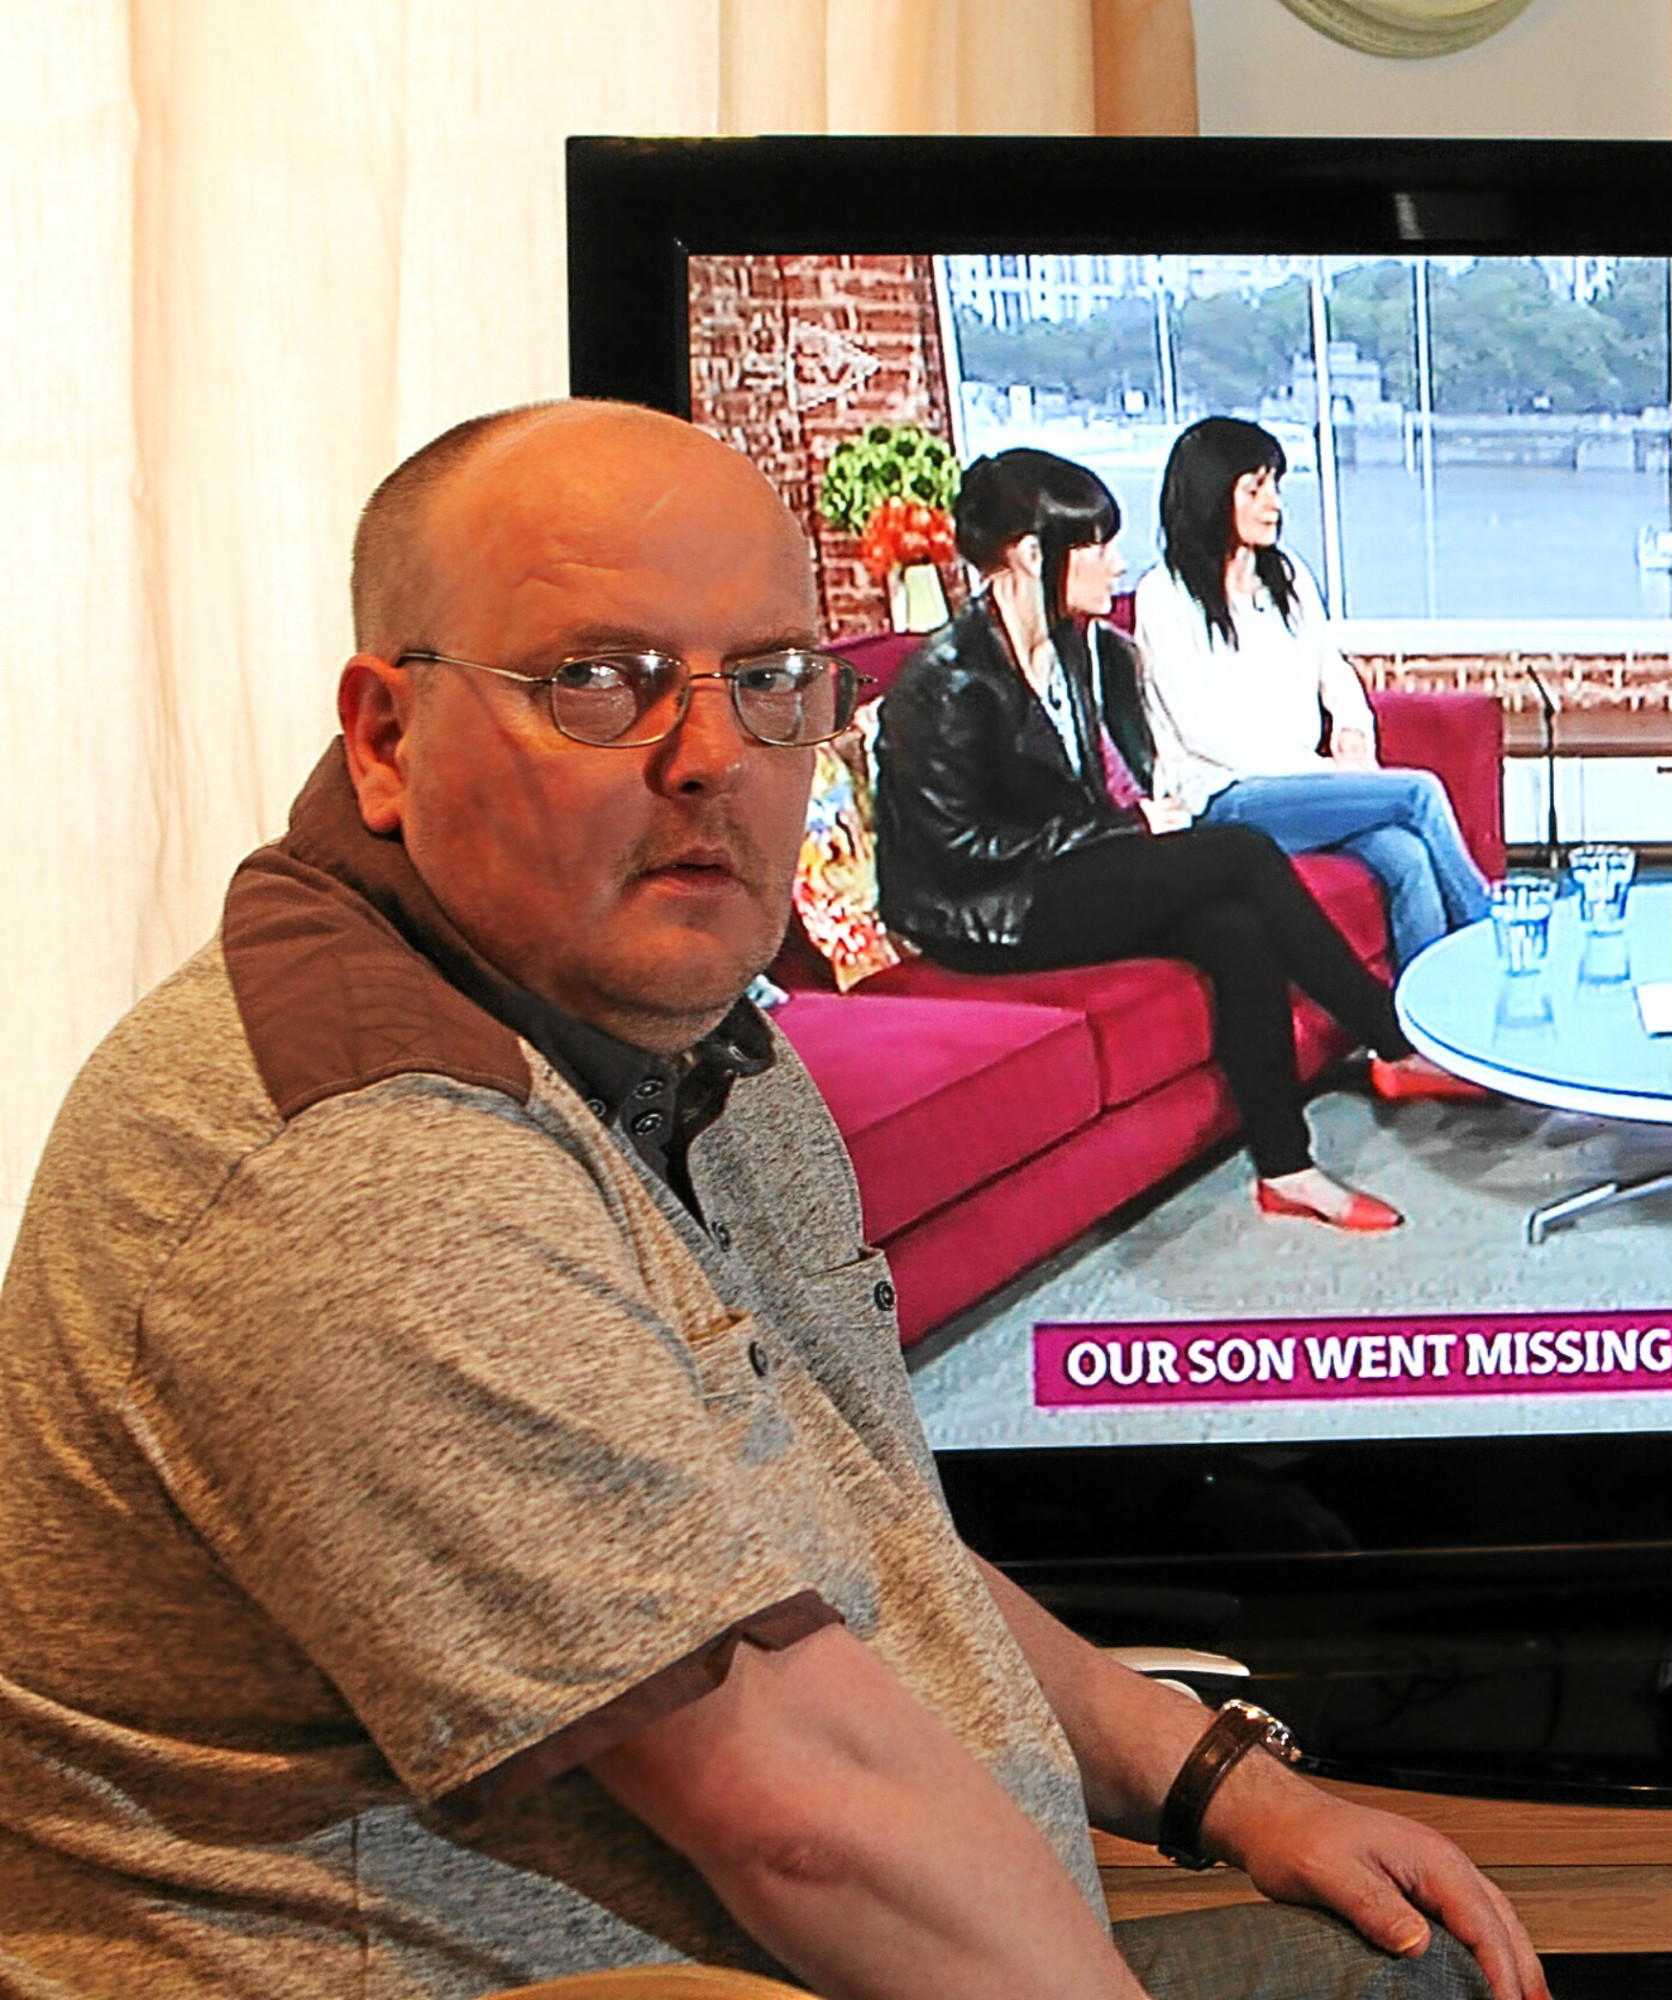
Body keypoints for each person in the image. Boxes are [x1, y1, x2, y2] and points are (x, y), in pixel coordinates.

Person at [0, 400, 1544, 1999]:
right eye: (596, 682)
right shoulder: (368, 1167)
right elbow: (803, 1820)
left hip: (872, 1940)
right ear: (388, 738)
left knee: (1415, 1962)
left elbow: (856, 1532)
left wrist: (1217, 1777)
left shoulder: (669, 1028)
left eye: (767, 683)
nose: (711, 762)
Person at [877, 446, 1439, 1230]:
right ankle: (1392, 1038)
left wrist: (1124, 820)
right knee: (1240, 854)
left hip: (1062, 871)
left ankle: (1286, 1169)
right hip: (986, 912)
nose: (1116, 563)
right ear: (1031, 555)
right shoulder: (945, 682)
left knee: (1236, 928)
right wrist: (1124, 826)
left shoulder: (1080, 648)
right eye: (1097, 545)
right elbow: (956, 851)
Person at [1135, 417, 1493, 980]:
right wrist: (1326, 772)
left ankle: (1424, 1034)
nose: (1273, 503)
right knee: (1418, 793)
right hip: (1225, 800)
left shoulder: (1289, 576)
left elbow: (1334, 670)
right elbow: (1209, 733)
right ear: (1209, 493)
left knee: (1407, 856)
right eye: (1255, 489)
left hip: (1299, 789)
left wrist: (1352, 731)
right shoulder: (1165, 597)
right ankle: (1498, 937)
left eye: (1275, 485)